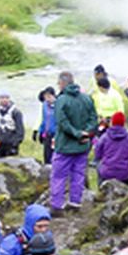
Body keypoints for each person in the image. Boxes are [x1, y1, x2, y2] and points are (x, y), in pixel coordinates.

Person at [51, 71, 97, 211]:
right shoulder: (87, 98)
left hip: (65, 145)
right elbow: (93, 118)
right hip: (82, 145)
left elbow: (62, 122)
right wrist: (86, 133)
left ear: (62, 83)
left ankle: (57, 205)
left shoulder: (61, 100)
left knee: (59, 176)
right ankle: (75, 202)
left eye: (58, 83)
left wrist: (76, 133)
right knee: (78, 174)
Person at [93, 112, 128, 184]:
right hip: (124, 175)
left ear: (112, 122)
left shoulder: (105, 137)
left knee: (99, 166)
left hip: (107, 174)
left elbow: (97, 154)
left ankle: (101, 189)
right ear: (123, 123)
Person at [91, 65, 128, 131]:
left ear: (101, 73)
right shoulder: (94, 81)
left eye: (97, 74)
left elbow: (118, 102)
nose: (95, 77)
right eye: (94, 75)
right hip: (100, 113)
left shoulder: (112, 82)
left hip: (111, 116)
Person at [0, 91, 25, 158]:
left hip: (11, 143)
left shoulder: (16, 112)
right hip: (0, 142)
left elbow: (20, 130)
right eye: (2, 98)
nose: (4, 100)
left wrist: (15, 144)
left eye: (6, 98)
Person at [35, 87, 58, 165]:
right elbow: (44, 119)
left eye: (49, 96)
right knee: (46, 155)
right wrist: (41, 132)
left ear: (53, 96)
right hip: (47, 134)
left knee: (55, 156)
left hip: (56, 135)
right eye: (46, 97)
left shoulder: (59, 105)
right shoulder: (44, 105)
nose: (47, 99)